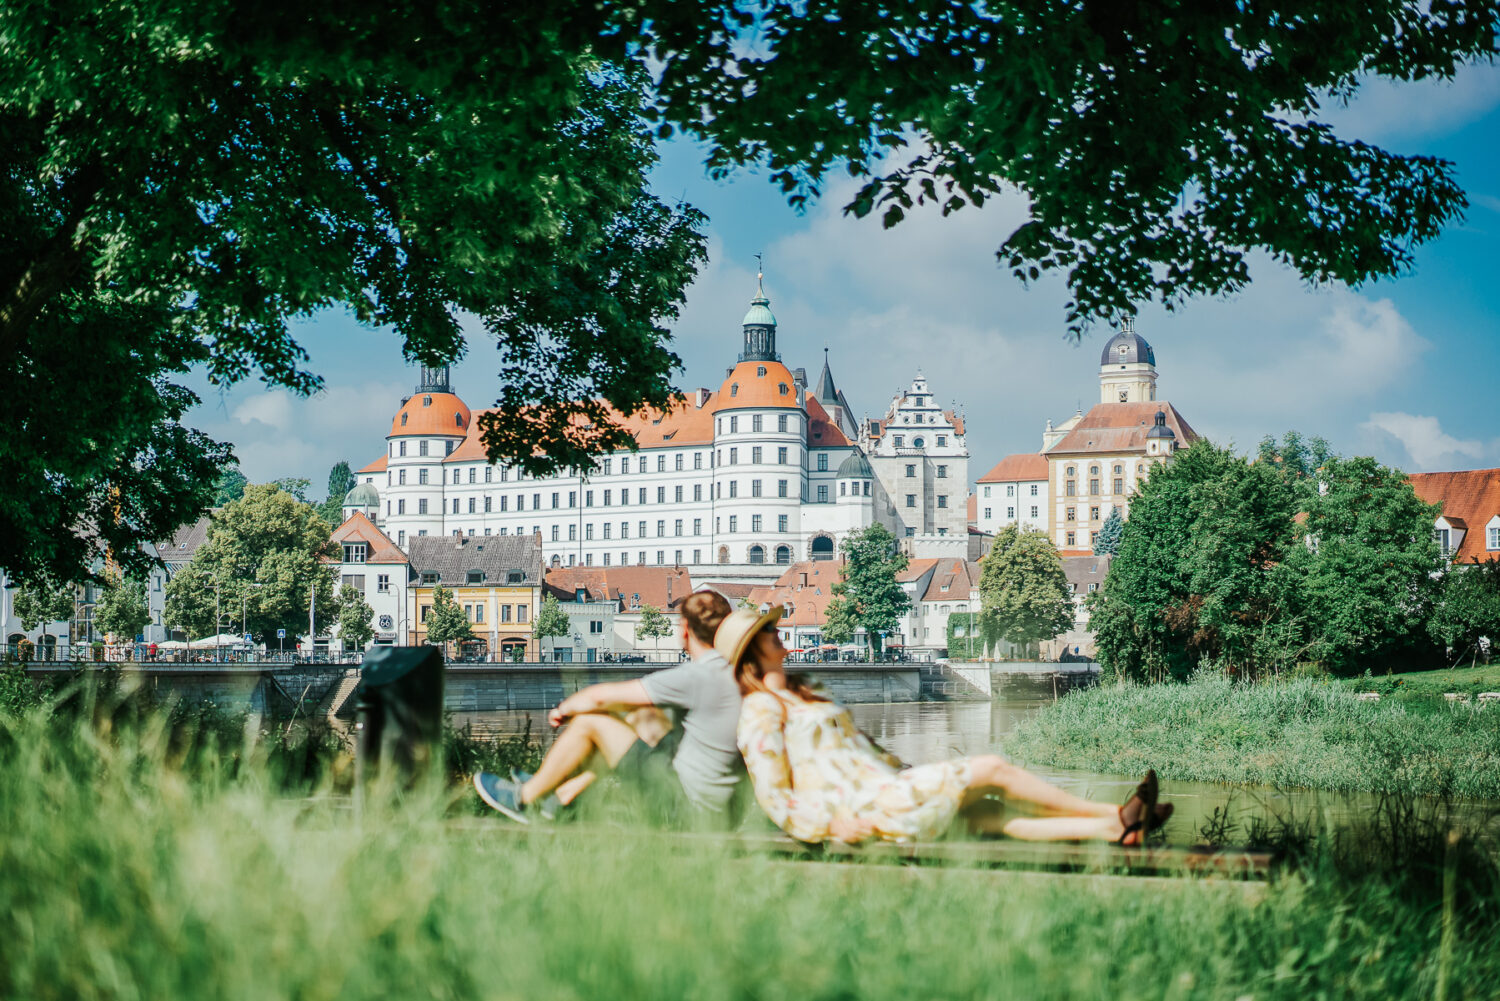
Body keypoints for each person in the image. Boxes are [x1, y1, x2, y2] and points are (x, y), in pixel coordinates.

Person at [720, 608, 1172, 845]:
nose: (778, 631)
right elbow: (775, 796)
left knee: (984, 814)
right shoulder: (759, 710)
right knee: (993, 768)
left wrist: (903, 767)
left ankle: (1115, 828)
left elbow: (862, 749)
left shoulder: (805, 690)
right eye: (767, 630)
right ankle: (1120, 815)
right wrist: (829, 826)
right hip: (860, 808)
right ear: (751, 652)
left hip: (884, 788)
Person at [474, 591, 740, 824]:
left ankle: (524, 798)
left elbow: (603, 697)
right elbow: (642, 710)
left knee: (591, 722)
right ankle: (560, 796)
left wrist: (565, 709)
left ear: (684, 629)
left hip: (687, 813)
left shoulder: (698, 676)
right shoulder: (730, 671)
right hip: (720, 813)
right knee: (644, 716)